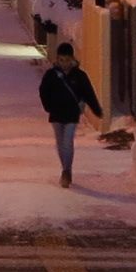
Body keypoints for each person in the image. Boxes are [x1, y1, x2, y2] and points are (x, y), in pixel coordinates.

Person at [36, 40, 101, 188]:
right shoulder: (51, 75)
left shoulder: (79, 76)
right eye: (61, 60)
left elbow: (88, 93)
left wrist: (96, 109)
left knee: (67, 141)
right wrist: (48, 107)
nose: (64, 63)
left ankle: (66, 171)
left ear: (72, 59)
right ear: (57, 59)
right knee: (60, 143)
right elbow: (43, 91)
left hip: (72, 113)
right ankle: (65, 168)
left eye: (67, 60)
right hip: (56, 113)